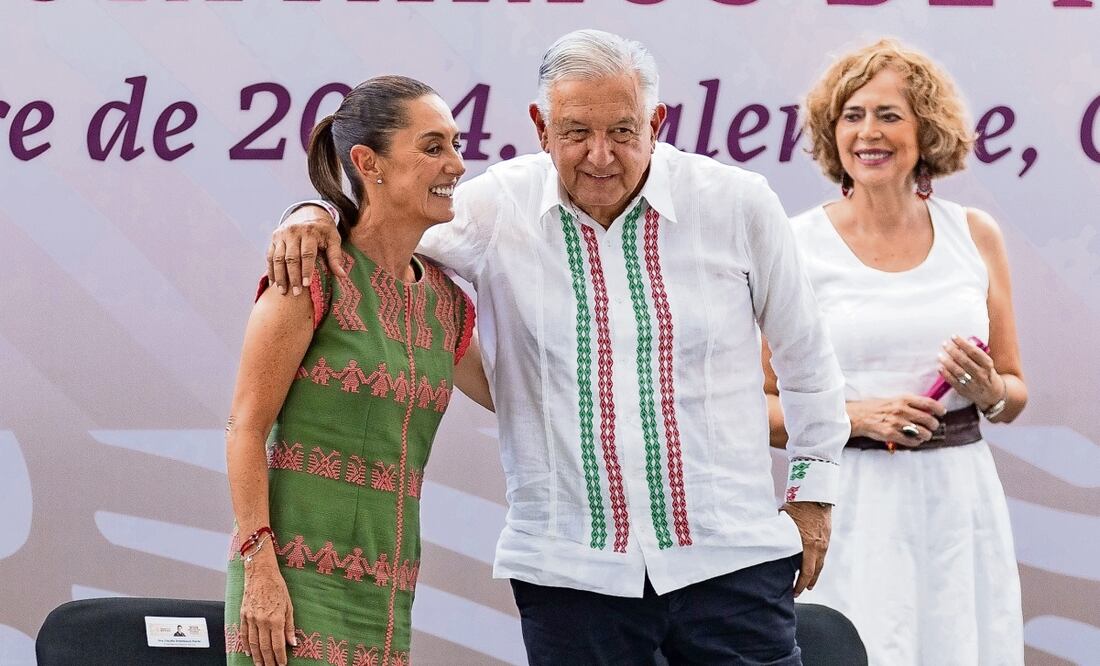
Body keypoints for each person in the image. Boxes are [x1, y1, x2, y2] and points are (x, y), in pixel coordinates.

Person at [271, 30, 849, 665]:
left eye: (624, 132)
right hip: (568, 574)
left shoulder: (737, 204)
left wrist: (813, 497)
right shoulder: (493, 209)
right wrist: (310, 213)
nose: (600, 156)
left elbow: (806, 360)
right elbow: (377, 227)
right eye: (575, 133)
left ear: (656, 121)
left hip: (731, 560)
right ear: (539, 127)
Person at [763, 39, 1027, 664]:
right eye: (852, 115)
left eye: (889, 114)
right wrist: (853, 416)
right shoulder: (795, 244)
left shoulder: (974, 234)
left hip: (960, 503)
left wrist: (990, 391)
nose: (868, 132)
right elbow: (756, 406)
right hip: (847, 503)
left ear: (925, 131)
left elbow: (1014, 391)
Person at [223, 75, 492, 666]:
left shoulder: (445, 302)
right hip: (290, 585)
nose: (457, 164)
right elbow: (244, 427)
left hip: (388, 589)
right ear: (368, 162)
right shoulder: (311, 274)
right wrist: (260, 568)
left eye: (454, 143)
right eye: (433, 147)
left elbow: (514, 395)